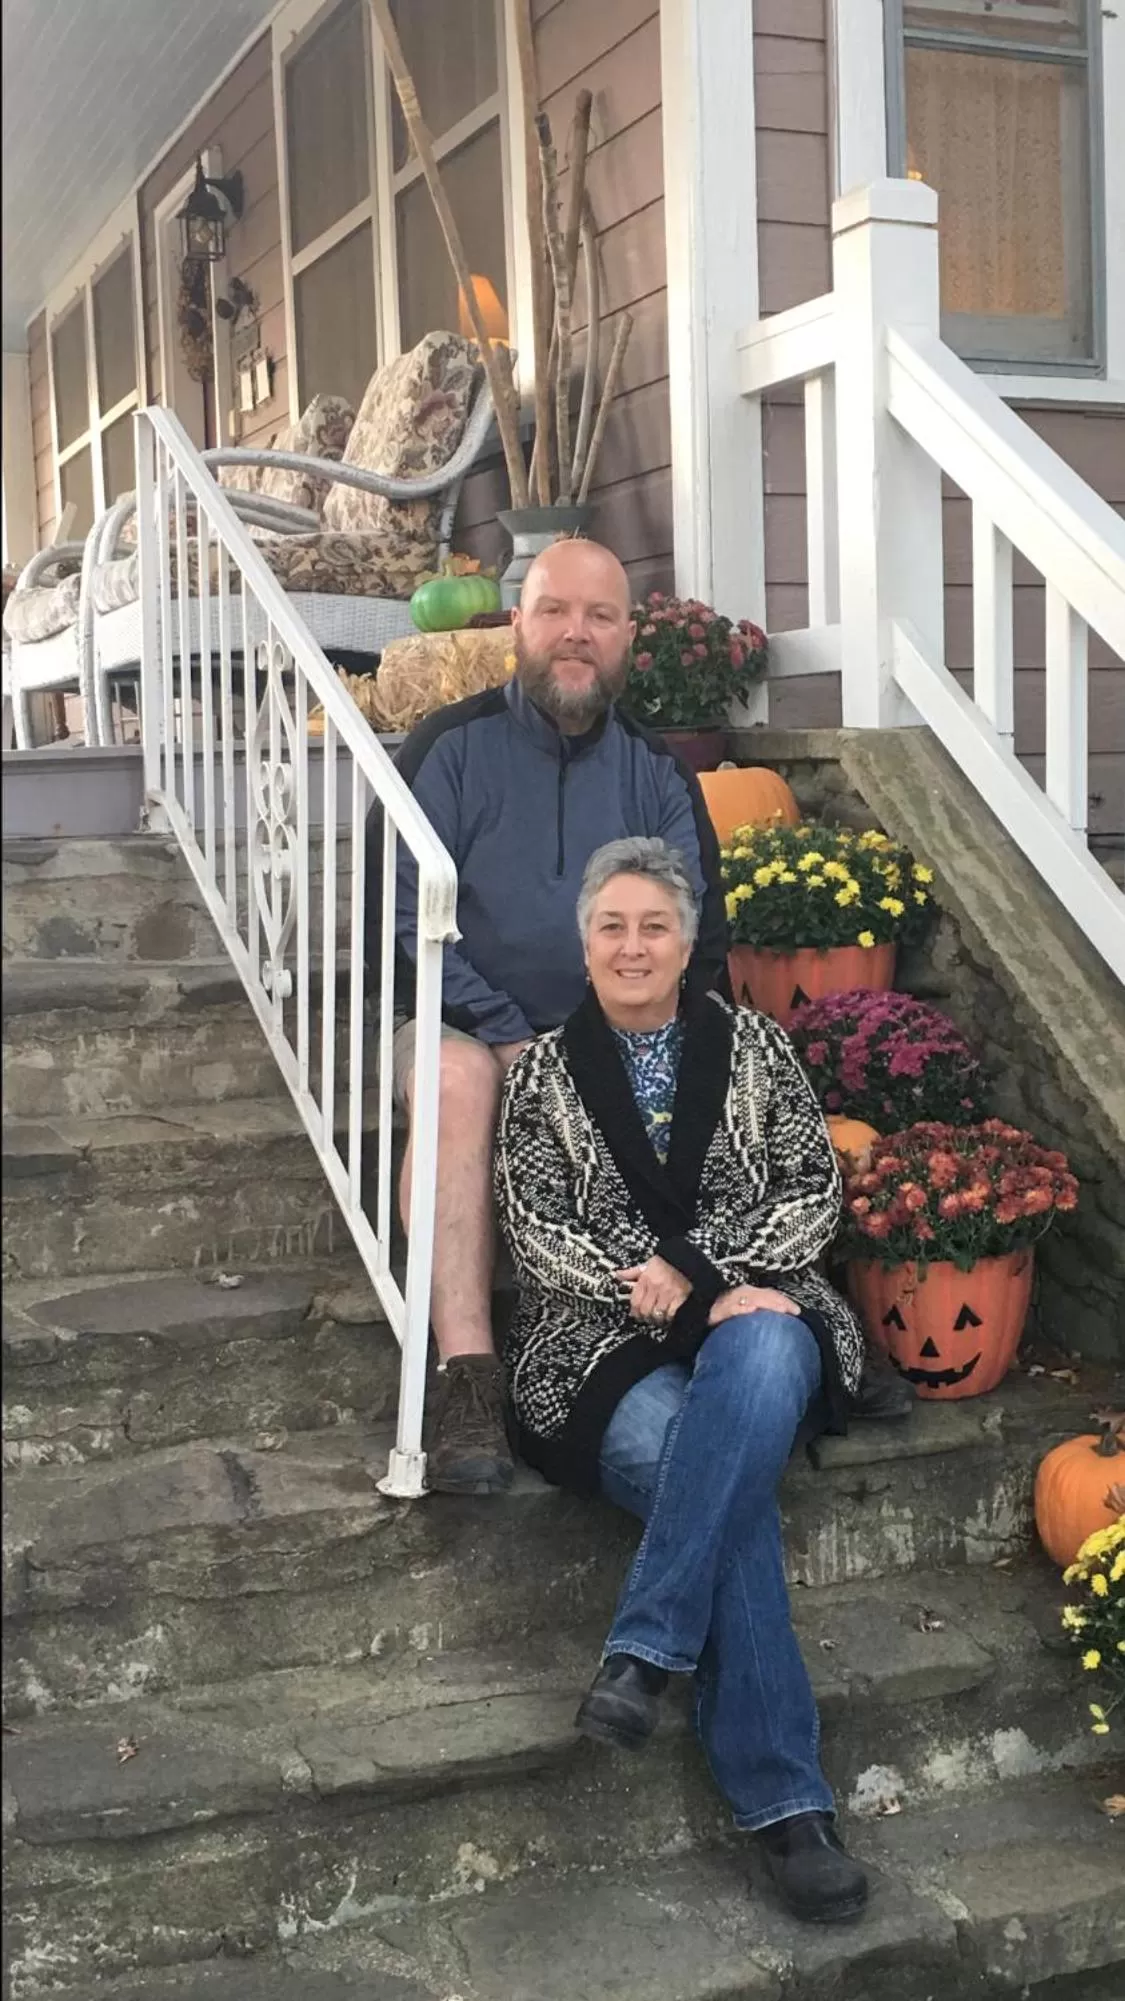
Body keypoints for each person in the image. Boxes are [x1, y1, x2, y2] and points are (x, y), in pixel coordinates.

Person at [493, 837, 870, 1924]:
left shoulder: (755, 1045)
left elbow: (812, 1191)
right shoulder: (542, 1075)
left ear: (687, 942)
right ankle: (789, 1811)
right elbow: (536, 1230)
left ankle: (643, 1654)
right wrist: (676, 1293)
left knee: (761, 1353)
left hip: (760, 1316)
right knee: (715, 1481)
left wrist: (702, 1272)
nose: (632, 945)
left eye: (654, 925)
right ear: (584, 944)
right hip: (595, 1343)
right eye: (611, 926)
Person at [376, 540, 728, 1494]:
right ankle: (469, 1378)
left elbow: (691, 928)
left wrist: (596, 1046)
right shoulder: (448, 750)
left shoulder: (655, 770)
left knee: (714, 1061)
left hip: (607, 1028)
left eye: (600, 616)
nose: (576, 632)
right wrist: (505, 1032)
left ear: (627, 638)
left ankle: (757, 1316)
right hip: (458, 1020)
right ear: (517, 626)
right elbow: (401, 920)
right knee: (457, 1081)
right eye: (554, 611)